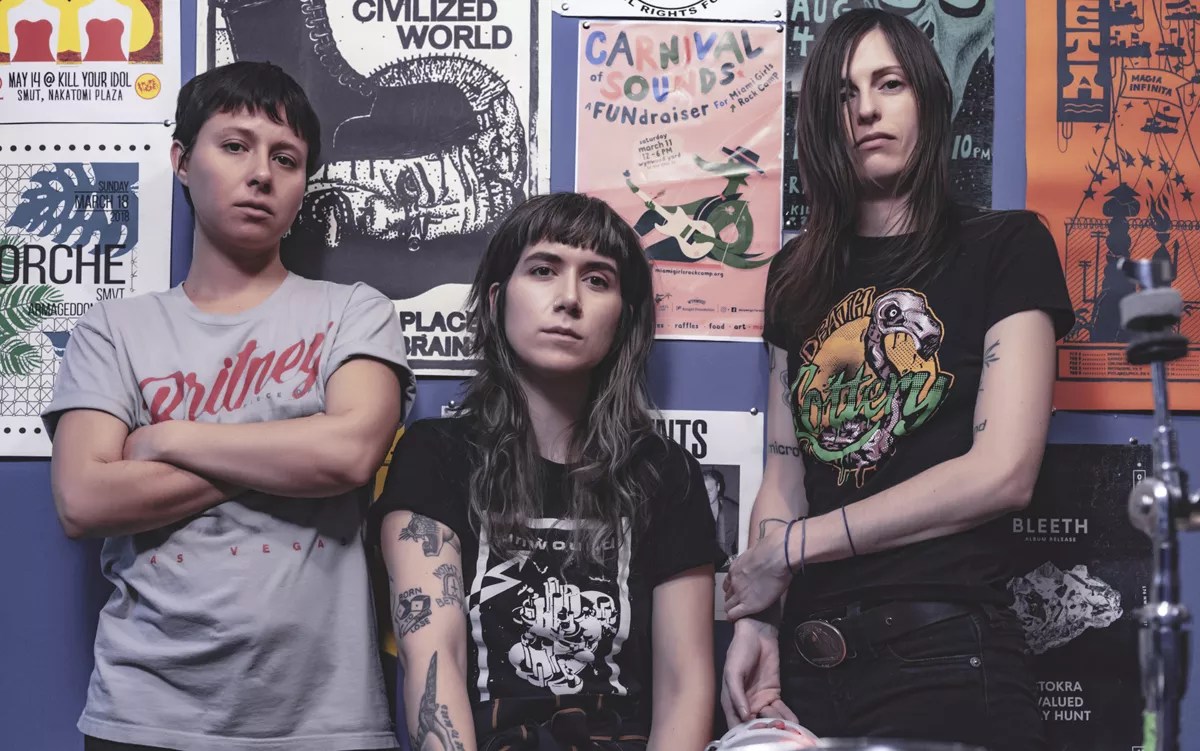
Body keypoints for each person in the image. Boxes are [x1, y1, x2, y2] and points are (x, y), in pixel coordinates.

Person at [720, 9, 1074, 751]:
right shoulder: (794, 276)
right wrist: (759, 620)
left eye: (890, 84)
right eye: (843, 94)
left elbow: (1002, 473)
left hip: (944, 653)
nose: (867, 110)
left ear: (930, 102)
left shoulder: (1005, 246)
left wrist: (793, 549)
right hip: (808, 667)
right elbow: (785, 476)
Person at [44, 61, 413, 751]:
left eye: (286, 158)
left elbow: (348, 454)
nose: (261, 173)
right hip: (144, 714)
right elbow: (84, 500)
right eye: (235, 145)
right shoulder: (114, 329)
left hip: (323, 722)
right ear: (183, 161)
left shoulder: (355, 312)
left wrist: (167, 439)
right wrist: (295, 442)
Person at [370, 193, 716, 751]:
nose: (569, 299)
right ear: (496, 299)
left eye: (597, 280)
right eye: (543, 270)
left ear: (624, 317)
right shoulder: (436, 455)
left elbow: (686, 687)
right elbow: (434, 659)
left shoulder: (664, 473)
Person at [703, 467, 739, 562]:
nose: (706, 494)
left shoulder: (734, 510)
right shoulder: (692, 511)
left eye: (710, 490)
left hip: (728, 563)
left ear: (718, 487)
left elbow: (743, 545)